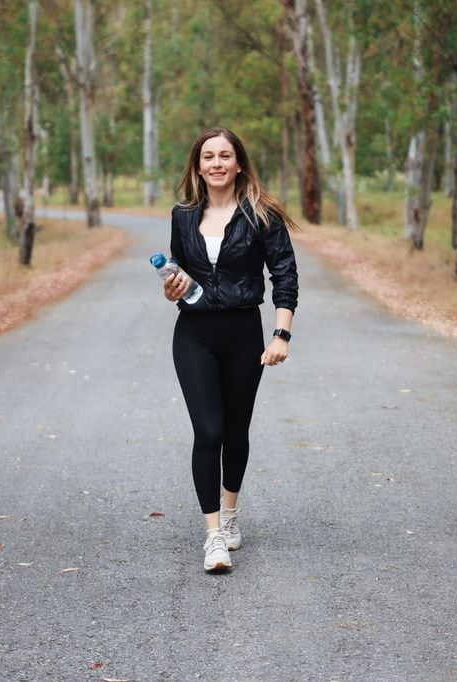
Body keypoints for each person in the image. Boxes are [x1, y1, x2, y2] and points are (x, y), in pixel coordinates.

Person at [162, 127, 299, 572]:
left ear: (239, 163)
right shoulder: (183, 216)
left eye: (225, 155)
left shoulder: (262, 214)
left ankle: (232, 510)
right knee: (209, 432)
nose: (216, 164)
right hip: (194, 334)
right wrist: (172, 288)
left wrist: (281, 335)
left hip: (244, 333)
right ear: (197, 166)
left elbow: (285, 275)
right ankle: (213, 535)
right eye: (208, 157)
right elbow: (178, 273)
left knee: (236, 429)